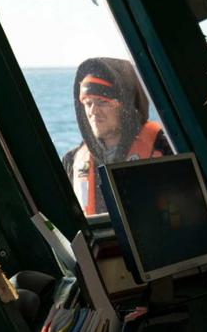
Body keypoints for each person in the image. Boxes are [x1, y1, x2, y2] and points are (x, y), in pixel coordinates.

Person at [62, 57, 172, 215]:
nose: (93, 111)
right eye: (87, 103)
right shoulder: (71, 162)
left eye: (102, 102)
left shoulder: (165, 149)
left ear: (125, 105)